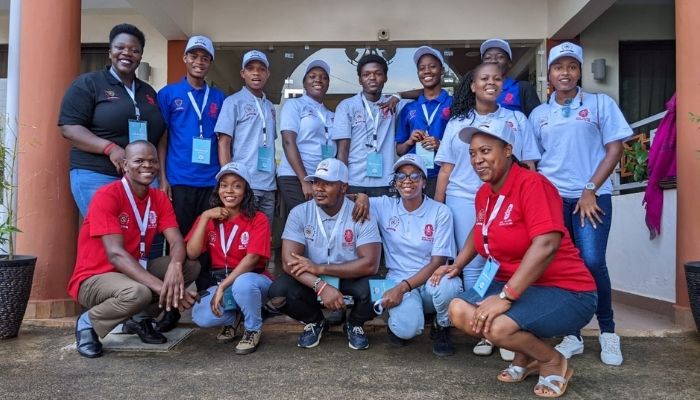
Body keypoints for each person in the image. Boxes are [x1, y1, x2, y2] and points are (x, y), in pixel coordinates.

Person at [438, 122, 596, 398]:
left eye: (485, 151)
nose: (477, 160)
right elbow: (479, 233)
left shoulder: (533, 184)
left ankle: (551, 361)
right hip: (511, 283)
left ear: (508, 150)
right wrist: (458, 264)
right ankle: (525, 356)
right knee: (458, 310)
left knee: (497, 326)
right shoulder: (484, 194)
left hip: (566, 290)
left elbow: (547, 243)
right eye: (473, 153)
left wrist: (506, 296)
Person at [529, 42, 631, 366]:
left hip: (592, 197)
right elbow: (533, 162)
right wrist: (541, 197)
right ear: (549, 74)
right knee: (563, 267)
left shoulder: (601, 104)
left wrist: (590, 189)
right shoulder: (540, 114)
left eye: (572, 67)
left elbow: (614, 150)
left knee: (592, 261)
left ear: (579, 72)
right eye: (559, 67)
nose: (566, 73)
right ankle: (572, 334)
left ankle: (607, 332)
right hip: (553, 199)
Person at [434, 62, 540, 360]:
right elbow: (445, 170)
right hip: (462, 198)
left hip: (505, 198)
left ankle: (504, 328)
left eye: (497, 78)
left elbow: (529, 163)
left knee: (508, 259)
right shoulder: (457, 123)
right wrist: (439, 209)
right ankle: (482, 328)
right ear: (472, 85)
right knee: (472, 265)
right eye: (483, 78)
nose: (490, 83)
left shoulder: (517, 119)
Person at [69, 141, 200, 359]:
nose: (147, 166)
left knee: (189, 266)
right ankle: (88, 323)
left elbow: (176, 241)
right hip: (96, 277)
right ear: (124, 165)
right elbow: (116, 254)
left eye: (152, 161)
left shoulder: (158, 197)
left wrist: (176, 266)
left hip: (134, 272)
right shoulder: (107, 195)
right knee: (138, 292)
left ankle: (139, 319)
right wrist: (163, 288)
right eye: (139, 161)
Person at [267, 158, 382, 350]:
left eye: (327, 183)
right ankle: (315, 321)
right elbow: (288, 262)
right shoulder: (300, 212)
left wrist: (321, 267)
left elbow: (370, 264)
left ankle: (354, 323)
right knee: (279, 293)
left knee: (379, 291)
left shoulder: (360, 211)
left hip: (348, 275)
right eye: (315, 182)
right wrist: (320, 286)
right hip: (312, 279)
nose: (318, 188)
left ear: (343, 187)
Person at [355, 154, 461, 357]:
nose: (407, 181)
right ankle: (406, 315)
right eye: (401, 176)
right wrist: (362, 196)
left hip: (432, 280)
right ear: (395, 182)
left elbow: (438, 261)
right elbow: (348, 199)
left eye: (414, 176)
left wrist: (403, 288)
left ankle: (442, 324)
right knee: (406, 330)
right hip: (398, 278)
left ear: (423, 182)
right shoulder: (384, 205)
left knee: (449, 285)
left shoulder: (441, 211)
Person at [59, 23, 165, 217]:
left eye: (134, 50)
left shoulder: (148, 92)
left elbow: (159, 134)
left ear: (141, 56)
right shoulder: (89, 83)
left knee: (142, 237)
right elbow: (69, 127)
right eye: (120, 48)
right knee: (108, 237)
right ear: (110, 52)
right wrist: (110, 148)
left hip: (142, 177)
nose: (127, 53)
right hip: (97, 174)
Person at [156, 35, 225, 328]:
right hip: (179, 180)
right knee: (179, 245)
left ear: (210, 63)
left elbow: (223, 140)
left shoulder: (219, 98)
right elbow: (162, 138)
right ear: (184, 59)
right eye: (194, 56)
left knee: (209, 242)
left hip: (210, 182)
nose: (199, 61)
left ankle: (211, 301)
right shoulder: (169, 94)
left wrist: (223, 182)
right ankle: (171, 306)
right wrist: (163, 178)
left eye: (205, 57)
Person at [186, 162, 273, 355]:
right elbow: (191, 253)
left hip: (254, 281)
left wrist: (223, 287)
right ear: (218, 190)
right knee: (200, 315)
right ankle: (235, 318)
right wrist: (205, 217)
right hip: (224, 283)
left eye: (237, 185)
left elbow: (252, 259)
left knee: (243, 284)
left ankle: (252, 329)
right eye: (224, 185)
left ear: (246, 191)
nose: (229, 191)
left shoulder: (258, 218)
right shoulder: (209, 218)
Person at [215, 50, 277, 226]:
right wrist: (229, 182)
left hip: (269, 185)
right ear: (243, 73)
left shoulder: (271, 106)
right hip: (245, 183)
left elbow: (270, 143)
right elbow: (224, 142)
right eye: (250, 68)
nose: (256, 73)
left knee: (264, 237)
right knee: (243, 236)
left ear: (268, 74)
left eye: (261, 69)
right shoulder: (233, 102)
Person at [333, 54, 403, 197]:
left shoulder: (393, 105)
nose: (372, 78)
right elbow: (343, 149)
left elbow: (425, 92)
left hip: (386, 181)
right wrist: (342, 182)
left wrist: (398, 95)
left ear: (385, 77)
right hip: (354, 181)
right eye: (366, 74)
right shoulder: (347, 106)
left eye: (378, 73)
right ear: (360, 79)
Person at [278, 60, 335, 211]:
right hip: (295, 177)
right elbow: (288, 142)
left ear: (328, 84)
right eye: (312, 76)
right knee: (303, 222)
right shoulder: (294, 105)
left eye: (324, 77)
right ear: (304, 83)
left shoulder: (330, 114)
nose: (318, 80)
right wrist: (304, 181)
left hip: (320, 178)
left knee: (316, 224)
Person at [396, 46, 452, 197]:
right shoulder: (409, 108)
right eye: (422, 68)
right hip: (413, 178)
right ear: (418, 73)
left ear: (442, 70)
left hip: (445, 176)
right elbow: (399, 150)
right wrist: (409, 141)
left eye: (432, 66)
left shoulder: (454, 104)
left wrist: (440, 144)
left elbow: (463, 148)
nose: (427, 71)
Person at [480, 38, 541, 117]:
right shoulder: (475, 89)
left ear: (509, 63)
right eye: (488, 58)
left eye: (500, 57)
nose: (493, 61)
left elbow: (536, 122)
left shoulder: (523, 88)